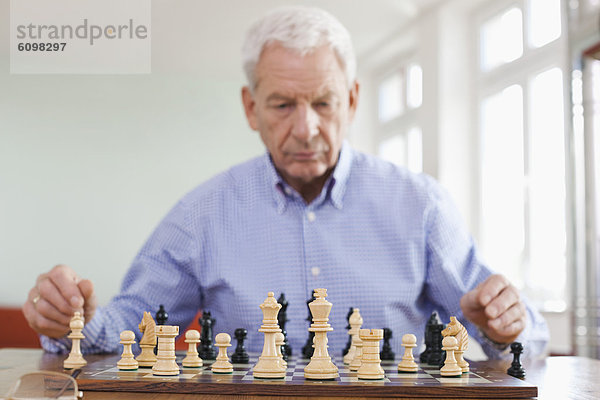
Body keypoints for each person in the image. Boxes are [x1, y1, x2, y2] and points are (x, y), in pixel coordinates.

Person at [23, 6, 548, 359]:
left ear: (353, 100)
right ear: (251, 108)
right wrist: (68, 320)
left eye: (323, 102)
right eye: (282, 104)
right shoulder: (202, 215)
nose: (306, 128)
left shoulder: (421, 206)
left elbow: (518, 333)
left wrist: (507, 324)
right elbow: (125, 329)